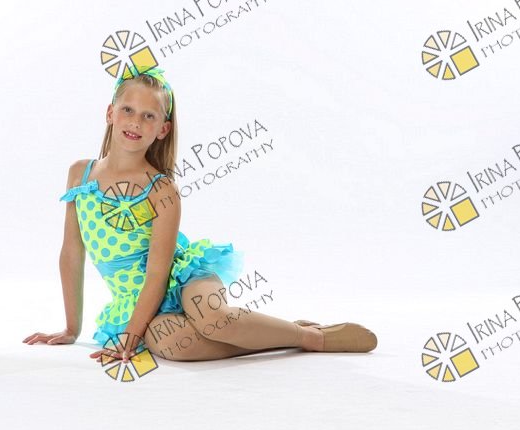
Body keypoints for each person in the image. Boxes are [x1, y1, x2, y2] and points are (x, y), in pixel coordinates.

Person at [23, 66, 377, 363]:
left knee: (212, 318)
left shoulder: (161, 189)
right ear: (110, 113)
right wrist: (72, 329)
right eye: (128, 110)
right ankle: (273, 338)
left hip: (182, 278)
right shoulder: (80, 174)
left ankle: (309, 337)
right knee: (172, 345)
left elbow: (158, 272)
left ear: (162, 129)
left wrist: (131, 335)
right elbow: (72, 254)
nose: (136, 122)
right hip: (137, 300)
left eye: (149, 116)